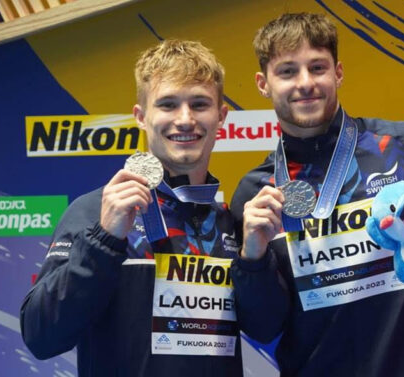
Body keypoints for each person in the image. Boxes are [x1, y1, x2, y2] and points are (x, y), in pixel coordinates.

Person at [230, 13, 404, 377]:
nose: (305, 83)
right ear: (264, 83)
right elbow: (263, 326)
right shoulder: (255, 193)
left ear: (338, 72)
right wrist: (253, 257)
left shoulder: (403, 146)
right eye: (288, 71)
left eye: (318, 67)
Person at [20, 39, 244, 377]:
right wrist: (103, 242)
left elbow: (266, 326)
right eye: (167, 105)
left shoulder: (227, 223)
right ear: (141, 116)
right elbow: (41, 336)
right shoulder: (96, 211)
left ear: (221, 116)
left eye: (199, 104)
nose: (184, 120)